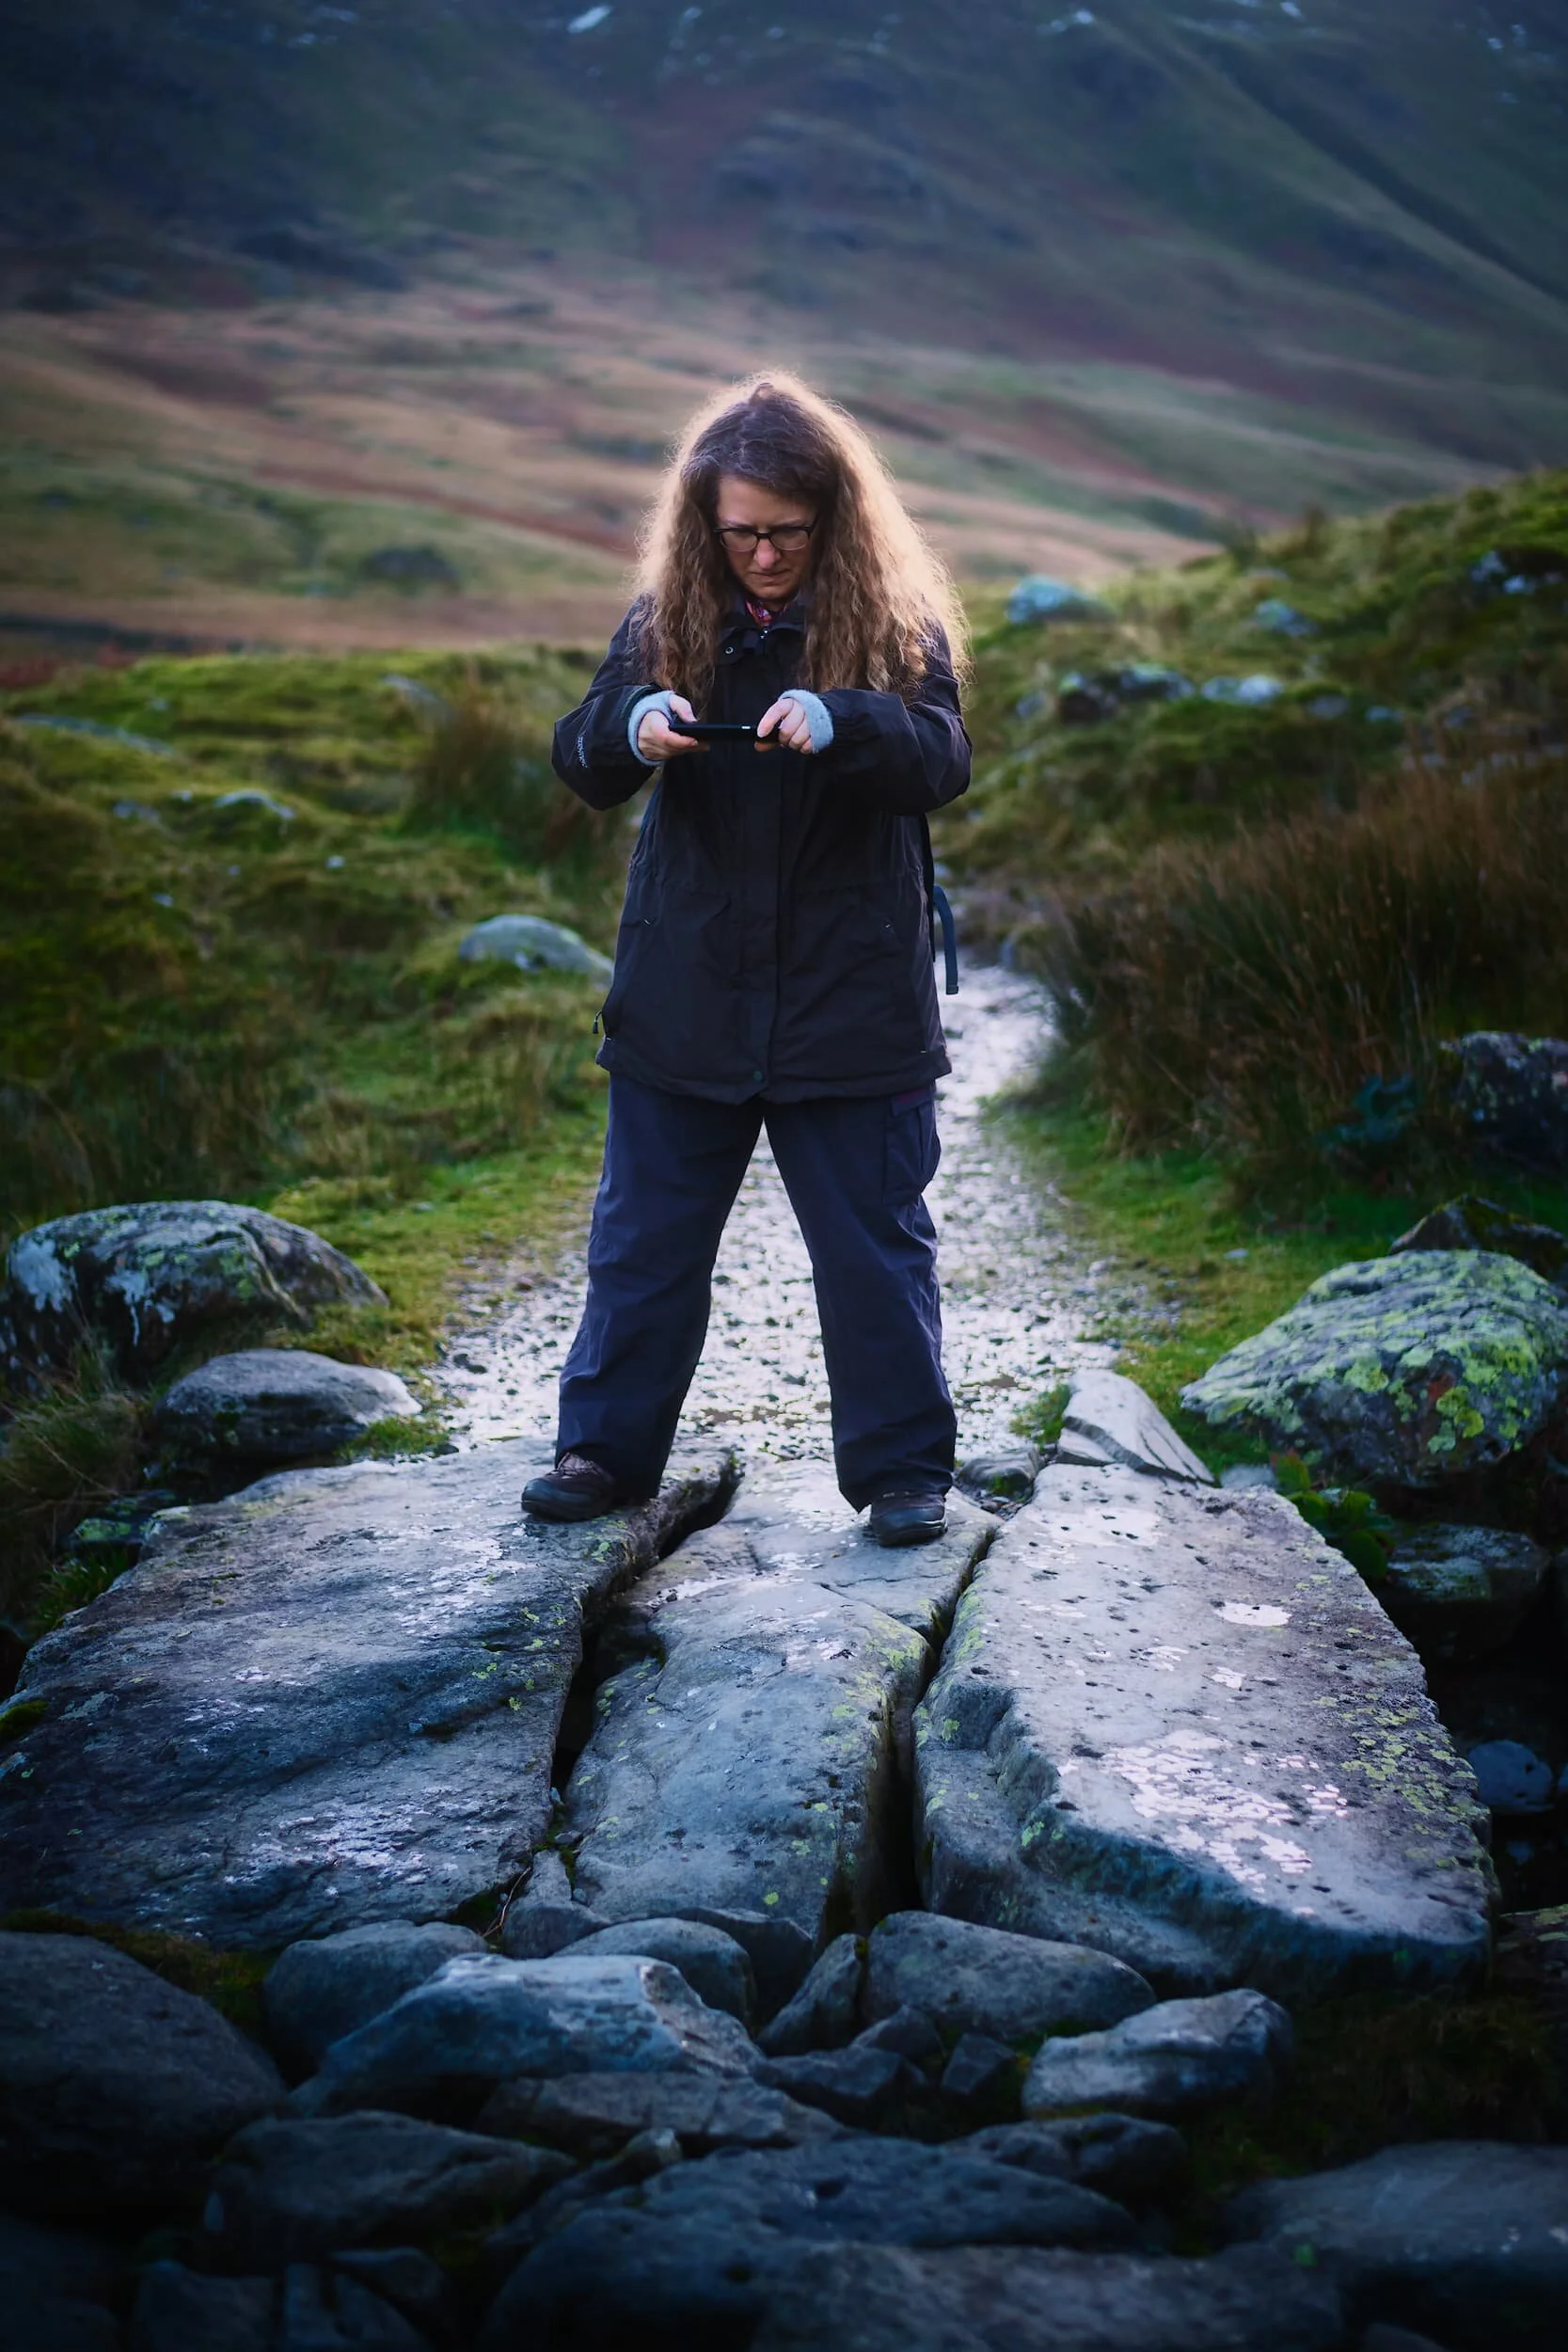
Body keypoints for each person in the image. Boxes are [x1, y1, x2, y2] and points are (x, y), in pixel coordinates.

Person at [522, 372, 971, 1547]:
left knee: (872, 1251)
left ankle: (902, 1475)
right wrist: (630, 725)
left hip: (851, 1002)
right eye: (739, 533)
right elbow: (580, 753)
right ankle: (600, 1454)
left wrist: (846, 717)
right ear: (701, 523)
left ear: (834, 517)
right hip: (686, 997)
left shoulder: (895, 625)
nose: (762, 556)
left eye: (786, 531)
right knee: (643, 1244)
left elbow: (940, 759)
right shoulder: (663, 617)